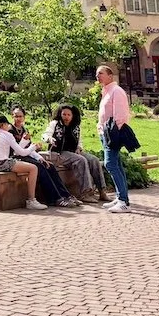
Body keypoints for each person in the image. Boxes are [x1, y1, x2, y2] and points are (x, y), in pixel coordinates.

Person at [9, 106, 79, 207]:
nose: (18, 119)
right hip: (15, 157)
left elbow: (28, 148)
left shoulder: (24, 129)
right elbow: (16, 151)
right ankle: (55, 198)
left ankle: (65, 195)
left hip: (25, 154)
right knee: (39, 167)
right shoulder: (10, 130)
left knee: (49, 166)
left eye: (20, 116)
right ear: (12, 116)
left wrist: (40, 158)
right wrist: (27, 143)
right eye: (16, 116)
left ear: (24, 117)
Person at [0, 115, 47, 211]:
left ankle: (31, 200)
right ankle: (31, 200)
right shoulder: (7, 135)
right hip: (1, 163)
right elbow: (21, 153)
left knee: (17, 163)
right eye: (7, 125)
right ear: (4, 125)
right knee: (33, 168)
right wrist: (33, 147)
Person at [42, 103, 108, 203]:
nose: (66, 117)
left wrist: (79, 148)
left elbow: (79, 141)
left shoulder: (76, 127)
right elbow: (45, 135)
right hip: (59, 153)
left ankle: (102, 191)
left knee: (94, 160)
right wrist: (49, 139)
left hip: (73, 151)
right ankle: (85, 193)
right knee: (81, 160)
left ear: (73, 116)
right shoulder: (55, 124)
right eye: (64, 114)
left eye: (69, 115)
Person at [97, 64, 132, 213]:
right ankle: (121, 197)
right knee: (116, 164)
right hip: (105, 133)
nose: (97, 76)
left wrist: (115, 132)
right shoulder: (107, 91)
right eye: (97, 74)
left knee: (110, 164)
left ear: (110, 76)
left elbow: (121, 114)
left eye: (101, 73)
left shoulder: (116, 91)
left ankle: (123, 201)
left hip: (112, 134)